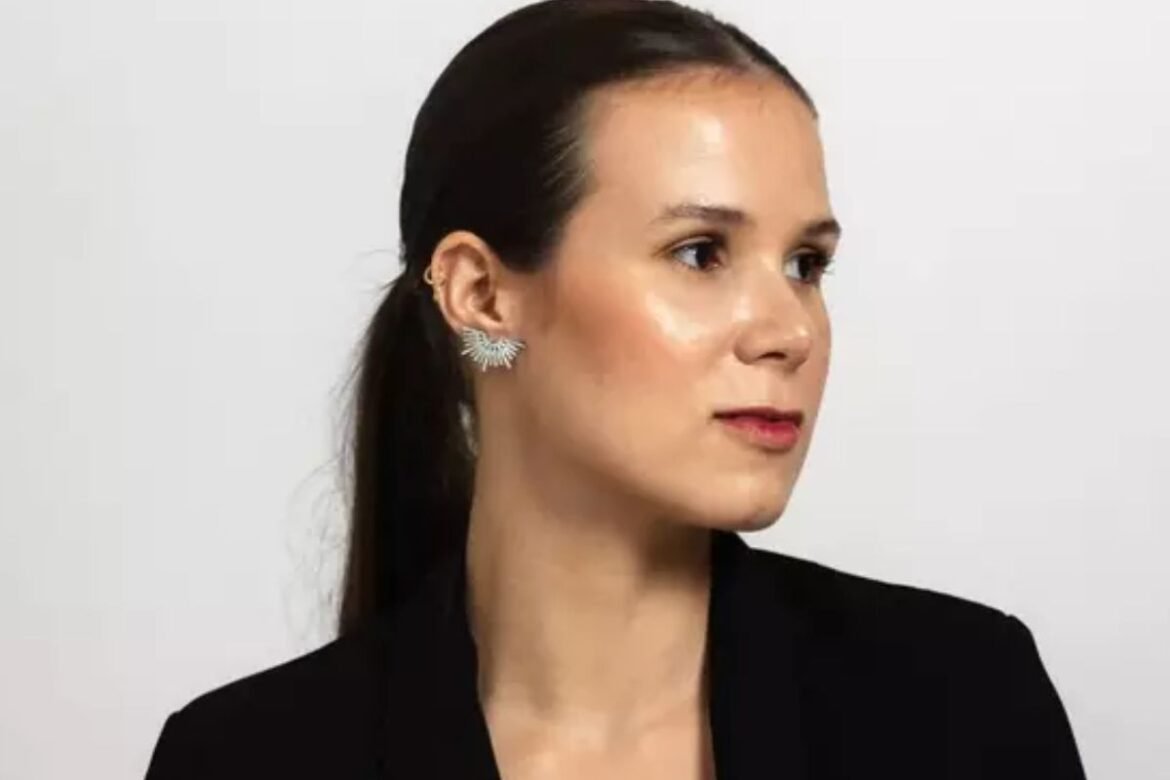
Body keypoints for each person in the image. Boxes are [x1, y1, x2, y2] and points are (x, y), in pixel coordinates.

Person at [143, 0, 1088, 777]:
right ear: (481, 295)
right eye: (700, 253)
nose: (791, 331)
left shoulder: (962, 708)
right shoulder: (246, 760)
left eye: (807, 264)